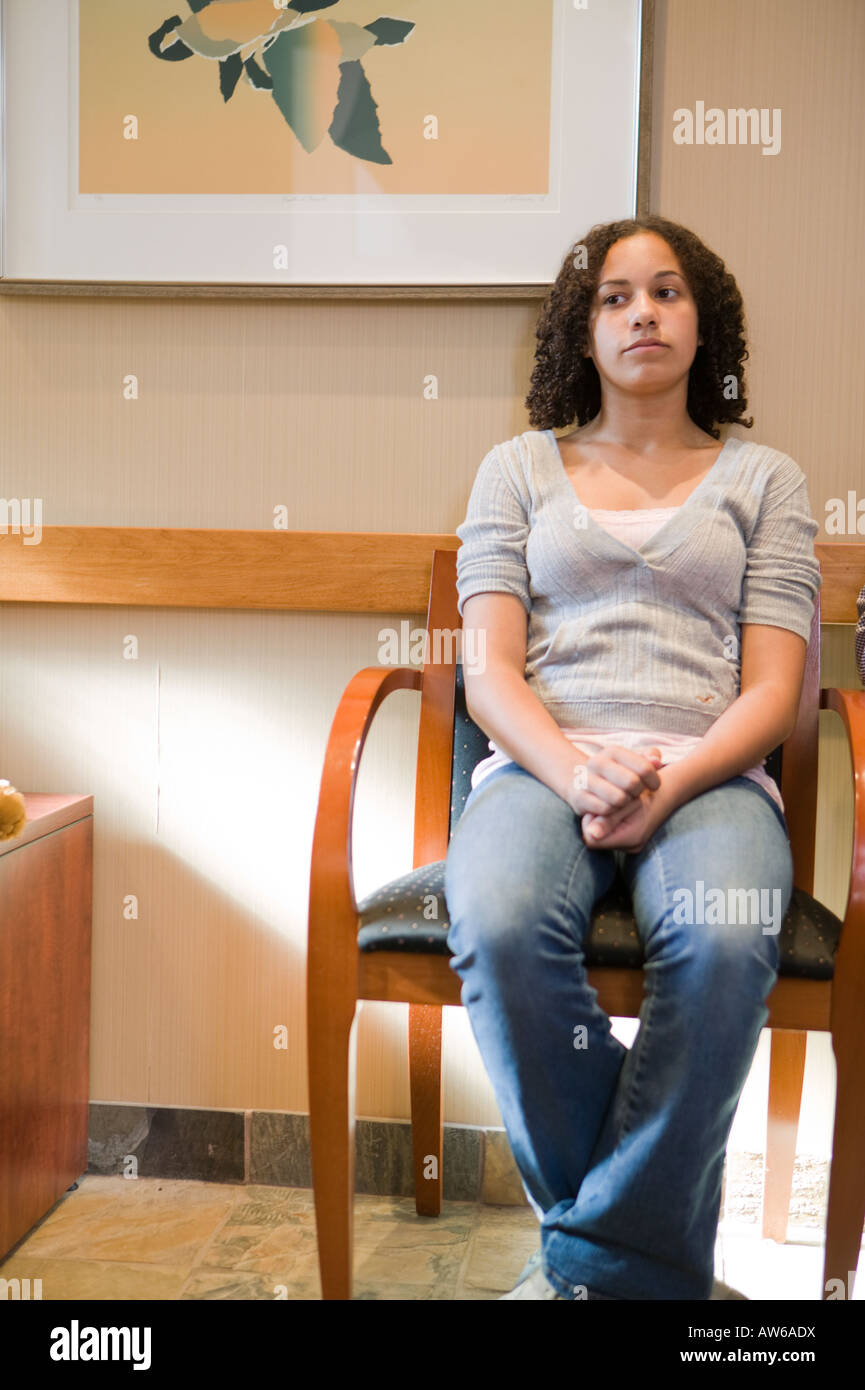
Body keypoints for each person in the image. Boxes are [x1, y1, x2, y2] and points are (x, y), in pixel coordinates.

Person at [443, 214, 822, 1301]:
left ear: (704, 324)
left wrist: (674, 779)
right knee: (503, 923)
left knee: (722, 940)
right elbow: (489, 676)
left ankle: (585, 1271)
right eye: (614, 296)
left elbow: (771, 688)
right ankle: (642, 1271)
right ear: (582, 327)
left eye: (666, 291)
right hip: (539, 768)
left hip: (712, 774)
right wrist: (574, 772)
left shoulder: (767, 480)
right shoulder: (513, 470)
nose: (641, 312)